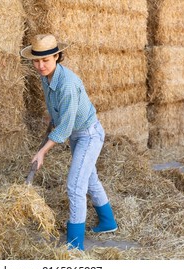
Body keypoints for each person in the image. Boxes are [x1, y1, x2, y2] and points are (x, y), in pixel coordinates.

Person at [20, 34, 118, 251]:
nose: (40, 65)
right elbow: (59, 115)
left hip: (88, 134)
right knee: (89, 178)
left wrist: (43, 152)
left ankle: (75, 247)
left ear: (57, 56)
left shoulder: (67, 84)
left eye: (45, 60)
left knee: (75, 186)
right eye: (36, 60)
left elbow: (65, 127)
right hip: (76, 134)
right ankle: (108, 222)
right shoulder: (45, 77)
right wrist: (51, 119)